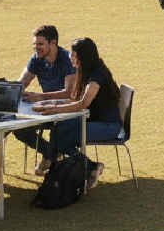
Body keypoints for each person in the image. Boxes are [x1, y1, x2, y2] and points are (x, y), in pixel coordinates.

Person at [28, 38, 124, 190]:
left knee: (64, 137)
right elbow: (74, 98)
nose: (70, 57)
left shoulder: (97, 74)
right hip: (91, 120)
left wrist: (53, 109)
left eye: (73, 54)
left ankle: (68, 164)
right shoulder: (84, 70)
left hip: (108, 125)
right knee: (59, 128)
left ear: (83, 56)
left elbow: (83, 103)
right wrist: (50, 103)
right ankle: (82, 166)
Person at [14, 24, 77, 175]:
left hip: (68, 111)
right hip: (48, 109)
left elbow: (69, 93)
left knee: (59, 130)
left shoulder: (67, 59)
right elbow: (21, 83)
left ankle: (56, 159)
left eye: (40, 44)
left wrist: (40, 97)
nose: (36, 48)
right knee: (19, 129)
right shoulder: (36, 58)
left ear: (53, 43)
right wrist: (12, 92)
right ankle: (51, 154)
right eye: (34, 44)